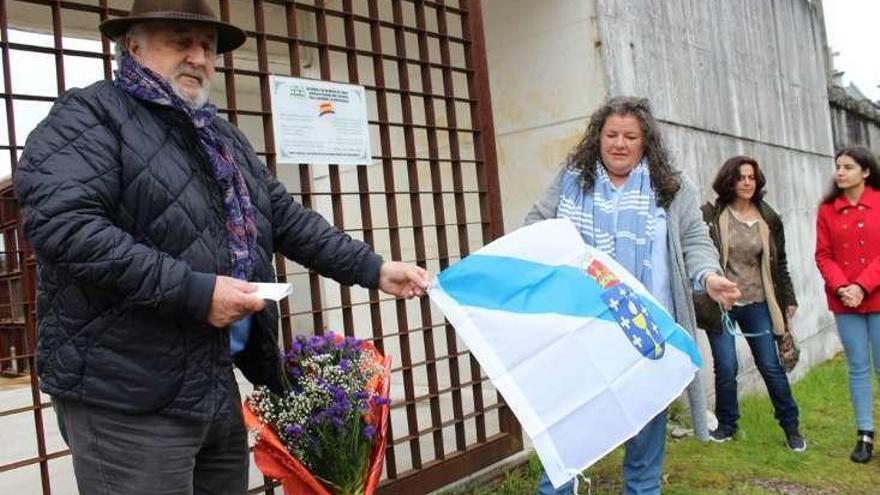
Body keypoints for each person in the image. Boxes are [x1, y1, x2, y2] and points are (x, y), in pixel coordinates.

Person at [12, 1, 430, 494]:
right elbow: (66, 227)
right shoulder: (89, 115)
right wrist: (196, 292)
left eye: (207, 47)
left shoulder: (219, 135)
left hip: (210, 381)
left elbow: (286, 219)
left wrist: (375, 269)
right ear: (133, 45)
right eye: (180, 40)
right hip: (124, 391)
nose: (198, 57)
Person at [524, 96, 740, 495]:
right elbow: (536, 223)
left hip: (647, 337)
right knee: (568, 444)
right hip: (584, 334)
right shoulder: (572, 180)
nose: (619, 143)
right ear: (597, 138)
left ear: (645, 142)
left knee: (643, 455)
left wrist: (708, 277)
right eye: (611, 135)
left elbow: (695, 239)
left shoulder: (671, 186)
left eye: (630, 136)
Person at [697, 156, 805, 451]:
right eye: (741, 177)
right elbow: (697, 251)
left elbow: (779, 263)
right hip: (722, 303)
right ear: (729, 180)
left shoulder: (768, 218)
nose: (747, 182)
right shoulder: (711, 214)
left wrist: (789, 299)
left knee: (770, 366)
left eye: (751, 178)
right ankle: (727, 425)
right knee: (726, 366)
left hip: (758, 302)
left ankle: (792, 427)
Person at [815, 146, 880, 463]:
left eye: (848, 167)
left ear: (865, 172)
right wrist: (843, 287)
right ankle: (865, 435)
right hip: (845, 302)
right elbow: (823, 255)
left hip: (878, 297)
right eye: (838, 166)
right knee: (857, 367)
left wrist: (862, 285)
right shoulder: (827, 209)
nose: (840, 172)